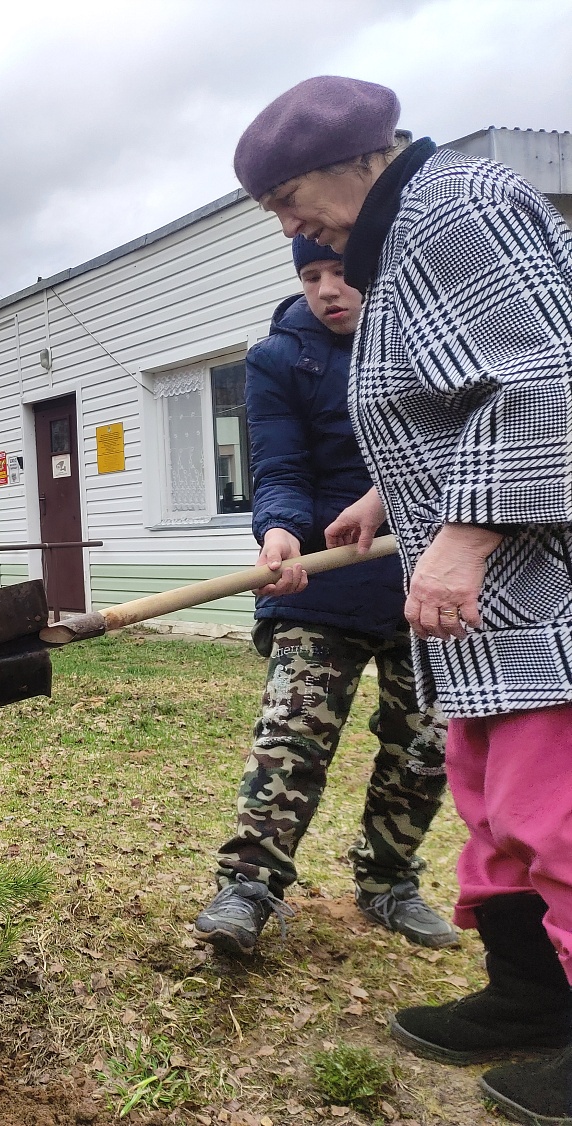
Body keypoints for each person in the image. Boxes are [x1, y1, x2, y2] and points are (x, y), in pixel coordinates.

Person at [235, 76, 572, 1121]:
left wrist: (463, 533)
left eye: (290, 198)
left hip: (530, 582)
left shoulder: (457, 207)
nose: (291, 228)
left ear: (356, 160)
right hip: (481, 607)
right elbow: (455, 391)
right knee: (487, 803)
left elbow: (547, 380)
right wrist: (389, 494)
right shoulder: (402, 235)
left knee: (551, 810)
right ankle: (531, 994)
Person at [194, 234, 453, 957]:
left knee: (424, 748)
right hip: (317, 580)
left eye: (342, 272)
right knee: (291, 737)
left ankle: (388, 882)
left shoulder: (430, 338)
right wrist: (279, 531)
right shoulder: (279, 360)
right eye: (312, 274)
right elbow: (280, 465)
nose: (328, 289)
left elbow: (454, 444)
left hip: (427, 575)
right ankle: (248, 886)